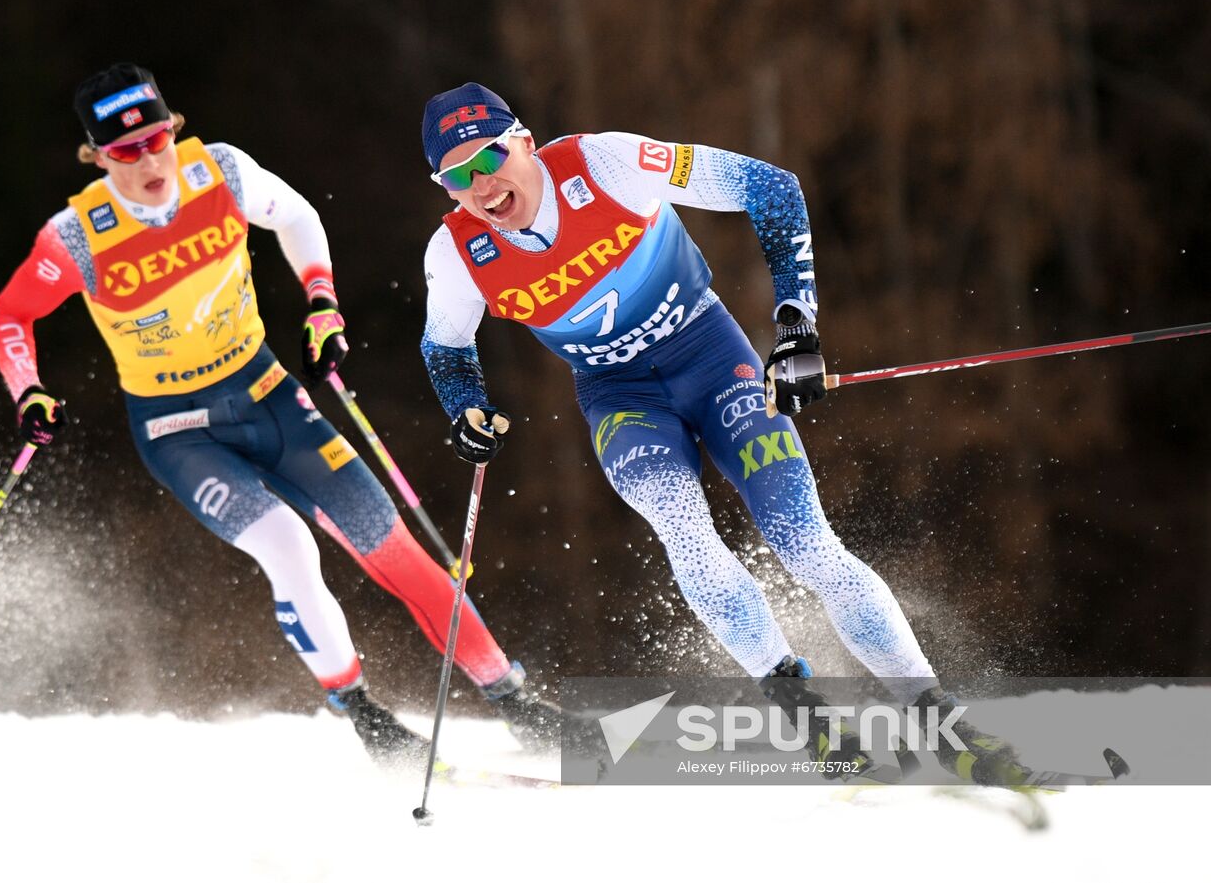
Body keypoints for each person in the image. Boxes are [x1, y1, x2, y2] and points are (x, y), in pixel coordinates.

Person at [417, 82, 1027, 784]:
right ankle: (807, 715)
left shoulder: (607, 164)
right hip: (621, 397)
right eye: (456, 175)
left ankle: (939, 721)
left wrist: (797, 326)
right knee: (683, 525)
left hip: (710, 357)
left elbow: (769, 187)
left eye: (489, 157)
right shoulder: (457, 253)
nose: (481, 184)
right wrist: (464, 408)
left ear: (523, 141)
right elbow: (446, 345)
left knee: (805, 541)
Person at [0, 64, 558, 763]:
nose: (151, 162)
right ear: (99, 157)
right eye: (127, 152)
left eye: (158, 139)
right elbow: (11, 313)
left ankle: (517, 701)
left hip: (266, 391)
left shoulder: (219, 173)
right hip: (176, 430)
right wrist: (29, 389)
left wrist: (321, 299)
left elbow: (296, 216)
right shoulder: (78, 234)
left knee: (391, 544)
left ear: (173, 130)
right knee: (288, 546)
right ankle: (365, 716)